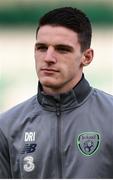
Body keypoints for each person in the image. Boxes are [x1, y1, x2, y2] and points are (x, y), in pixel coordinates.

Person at [0, 7, 113, 179]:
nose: (48, 58)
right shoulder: (7, 126)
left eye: (62, 49)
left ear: (87, 57)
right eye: (42, 48)